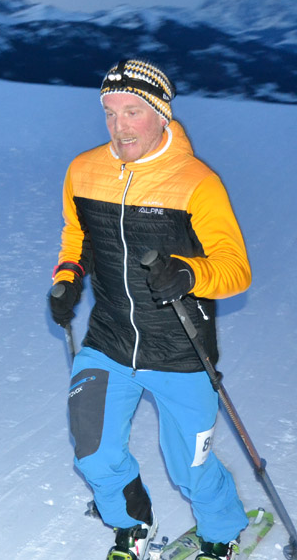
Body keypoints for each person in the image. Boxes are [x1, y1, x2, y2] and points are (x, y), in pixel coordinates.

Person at [49, 59, 251, 560]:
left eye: (133, 112)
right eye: (111, 113)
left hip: (181, 349)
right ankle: (131, 523)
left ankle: (222, 532)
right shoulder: (83, 170)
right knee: (94, 454)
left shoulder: (197, 182)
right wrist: (68, 277)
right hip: (108, 341)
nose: (120, 127)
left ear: (161, 114)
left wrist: (189, 273)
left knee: (192, 467)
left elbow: (235, 269)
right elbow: (77, 237)